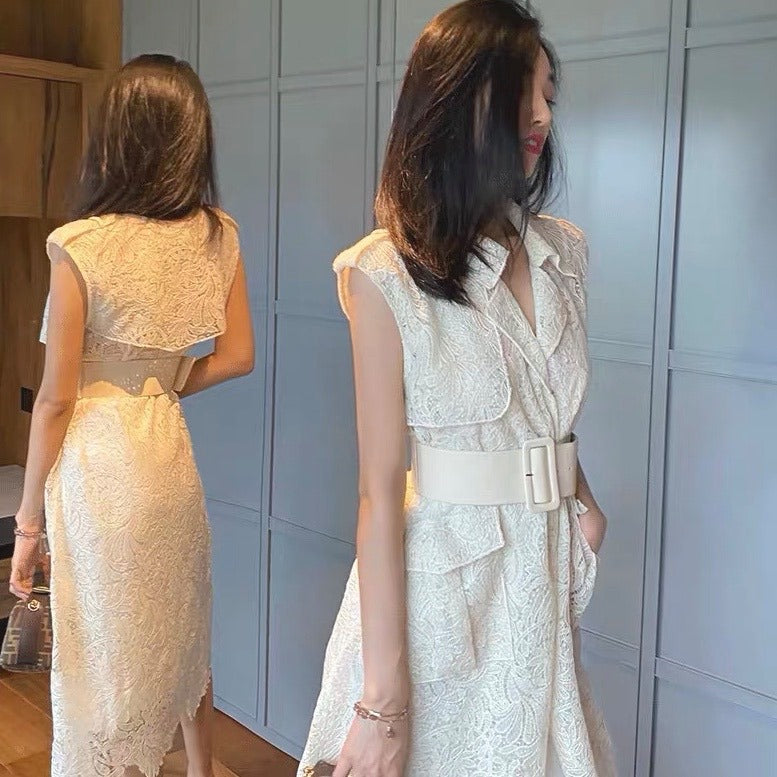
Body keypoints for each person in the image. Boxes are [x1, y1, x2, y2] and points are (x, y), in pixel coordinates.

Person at [298, 2, 616, 776]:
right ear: (458, 98)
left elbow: (545, 403)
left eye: (548, 94)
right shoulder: (382, 271)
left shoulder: (564, 253)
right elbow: (378, 492)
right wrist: (381, 701)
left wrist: (583, 503)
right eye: (521, 91)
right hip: (443, 588)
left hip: (541, 576)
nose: (541, 115)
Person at [9, 54, 254, 777]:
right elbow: (237, 356)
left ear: (114, 136)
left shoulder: (81, 245)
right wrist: (161, 382)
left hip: (99, 462)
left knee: (105, 645)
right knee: (182, 631)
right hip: (166, 448)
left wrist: (28, 526)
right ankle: (203, 769)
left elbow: (55, 399)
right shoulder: (218, 234)